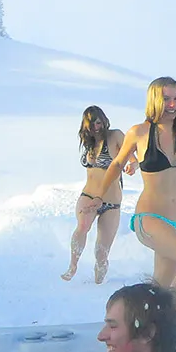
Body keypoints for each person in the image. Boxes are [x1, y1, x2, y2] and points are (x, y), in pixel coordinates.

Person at [83, 77, 176, 309]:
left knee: (160, 293)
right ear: (155, 100)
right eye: (166, 99)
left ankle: (142, 327)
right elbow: (115, 165)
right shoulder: (139, 132)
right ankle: (171, 321)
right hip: (150, 218)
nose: (173, 104)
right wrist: (98, 196)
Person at [61, 106, 137, 284]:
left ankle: (98, 283)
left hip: (111, 202)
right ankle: (73, 266)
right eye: (93, 121)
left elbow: (132, 156)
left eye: (99, 120)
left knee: (101, 252)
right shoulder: (88, 143)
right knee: (83, 225)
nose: (97, 124)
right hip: (88, 195)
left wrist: (133, 165)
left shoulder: (115, 136)